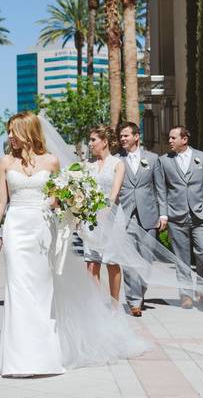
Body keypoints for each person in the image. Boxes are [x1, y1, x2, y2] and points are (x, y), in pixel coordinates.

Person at [0, 112, 148, 377]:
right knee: (17, 287)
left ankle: (45, 353)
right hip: (15, 228)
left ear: (28, 131)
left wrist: (71, 208)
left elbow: (60, 198)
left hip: (43, 228)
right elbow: (0, 201)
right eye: (8, 132)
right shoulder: (5, 162)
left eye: (13, 131)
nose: (9, 136)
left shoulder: (52, 161)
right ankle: (17, 355)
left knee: (42, 288)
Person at [155, 126, 203, 308]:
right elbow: (160, 189)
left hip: (201, 215)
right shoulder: (163, 161)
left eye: (173, 138)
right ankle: (186, 295)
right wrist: (163, 214)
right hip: (176, 214)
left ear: (185, 139)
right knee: (181, 258)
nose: (170, 141)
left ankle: (202, 289)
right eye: (170, 138)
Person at [115, 121, 162, 316]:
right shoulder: (117, 160)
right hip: (124, 216)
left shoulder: (153, 158)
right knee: (128, 262)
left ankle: (140, 293)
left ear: (136, 136)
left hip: (149, 215)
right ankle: (133, 301)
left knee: (146, 260)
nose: (122, 139)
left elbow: (161, 188)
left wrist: (164, 214)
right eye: (121, 136)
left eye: (126, 135)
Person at [82, 125, 126, 302]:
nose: (90, 143)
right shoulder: (87, 165)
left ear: (105, 141)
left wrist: (104, 212)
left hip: (112, 218)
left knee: (112, 262)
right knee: (91, 263)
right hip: (90, 219)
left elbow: (114, 192)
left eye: (93, 140)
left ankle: (114, 306)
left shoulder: (118, 164)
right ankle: (96, 308)